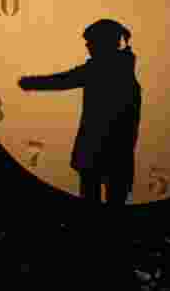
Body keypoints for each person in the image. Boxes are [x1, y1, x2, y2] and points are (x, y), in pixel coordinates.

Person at [18, 19, 142, 207]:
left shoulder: (98, 69)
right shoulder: (122, 69)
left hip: (96, 152)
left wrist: (30, 83)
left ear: (103, 43)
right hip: (119, 154)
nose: (87, 46)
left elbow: (62, 80)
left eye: (91, 42)